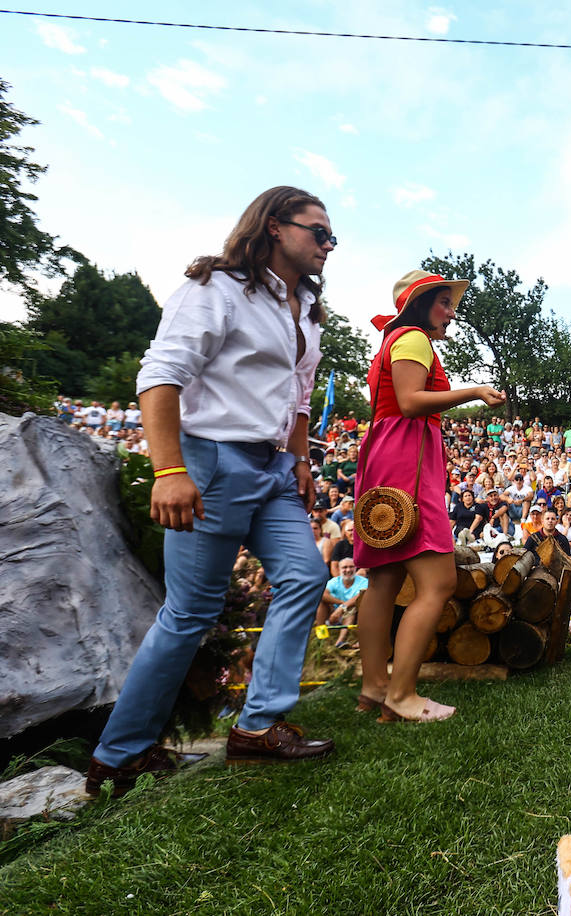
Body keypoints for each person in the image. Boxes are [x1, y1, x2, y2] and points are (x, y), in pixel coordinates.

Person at [87, 186, 338, 796]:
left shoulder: (306, 309)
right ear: (275, 227)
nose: (328, 246)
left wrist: (301, 461)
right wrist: (171, 470)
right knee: (190, 613)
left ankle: (257, 727)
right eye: (318, 232)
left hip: (274, 468)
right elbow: (160, 376)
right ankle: (118, 755)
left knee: (306, 575)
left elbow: (301, 399)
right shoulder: (216, 289)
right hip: (211, 460)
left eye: (332, 237)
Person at [353, 269, 506, 723]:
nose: (451, 311)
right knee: (437, 583)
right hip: (407, 460)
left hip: (385, 455)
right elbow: (410, 401)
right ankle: (401, 695)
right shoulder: (414, 337)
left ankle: (375, 687)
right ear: (419, 304)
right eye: (443, 302)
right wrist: (473, 392)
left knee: (383, 580)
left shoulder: (391, 340)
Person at [320, 559, 368, 647]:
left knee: (351, 609)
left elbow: (360, 596)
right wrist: (341, 605)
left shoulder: (363, 581)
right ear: (339, 569)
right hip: (334, 611)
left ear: (356, 568)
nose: (348, 570)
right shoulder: (335, 581)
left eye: (351, 567)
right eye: (345, 567)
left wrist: (343, 607)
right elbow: (323, 594)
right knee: (321, 604)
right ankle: (321, 637)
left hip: (353, 612)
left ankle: (339, 641)